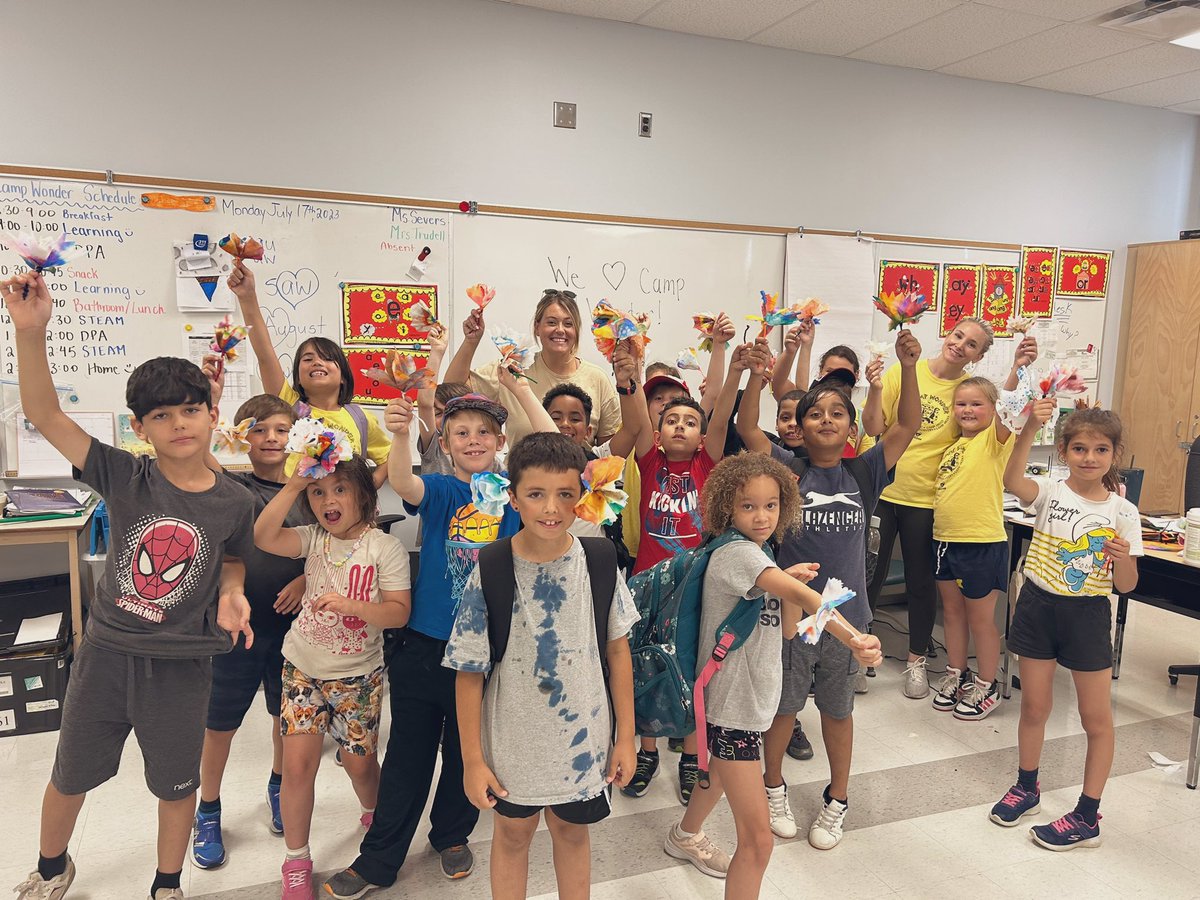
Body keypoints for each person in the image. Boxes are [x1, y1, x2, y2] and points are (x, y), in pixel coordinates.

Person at [4, 271, 256, 900]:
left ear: (212, 413)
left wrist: (231, 592)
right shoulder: (124, 475)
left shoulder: (235, 500)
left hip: (182, 665)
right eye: (161, 416)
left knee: (177, 785)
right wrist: (30, 332)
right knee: (71, 775)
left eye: (191, 410)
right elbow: (43, 412)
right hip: (109, 655)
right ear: (141, 427)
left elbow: (232, 561)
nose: (179, 424)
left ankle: (167, 883)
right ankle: (52, 866)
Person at [321, 369, 558, 899]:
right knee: (408, 754)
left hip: (489, 652)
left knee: (466, 750)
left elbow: (557, 450)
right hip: (424, 644)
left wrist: (520, 389)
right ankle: (379, 858)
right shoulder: (445, 489)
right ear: (446, 445)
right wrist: (402, 434)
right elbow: (403, 483)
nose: (473, 440)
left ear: (501, 442)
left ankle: (453, 834)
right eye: (460, 432)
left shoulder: (520, 498)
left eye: (483, 432)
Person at [662, 453, 883, 896]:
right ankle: (687, 838)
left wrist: (782, 582)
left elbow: (785, 628)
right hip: (730, 708)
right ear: (726, 508)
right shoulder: (738, 553)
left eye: (771, 505)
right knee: (759, 842)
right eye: (748, 506)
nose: (761, 516)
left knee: (722, 776)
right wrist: (854, 637)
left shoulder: (761, 554)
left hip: (751, 700)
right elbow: (801, 594)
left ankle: (684, 836)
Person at [738, 330, 921, 849]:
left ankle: (836, 800)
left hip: (847, 620)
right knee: (784, 709)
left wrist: (909, 366)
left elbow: (908, 423)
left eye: (837, 413)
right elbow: (748, 425)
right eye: (814, 413)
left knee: (839, 713)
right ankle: (772, 787)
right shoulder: (786, 470)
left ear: (851, 425)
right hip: (794, 617)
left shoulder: (864, 470)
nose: (824, 420)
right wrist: (756, 376)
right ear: (799, 424)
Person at [444, 432, 639, 900]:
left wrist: (626, 737)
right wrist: (472, 761)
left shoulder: (598, 560)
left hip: (584, 744)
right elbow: (469, 671)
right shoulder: (491, 566)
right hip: (513, 744)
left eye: (565, 494)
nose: (551, 508)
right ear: (511, 497)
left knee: (572, 834)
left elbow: (617, 653)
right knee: (512, 837)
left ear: (584, 497)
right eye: (535, 494)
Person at [990, 399, 1141, 850]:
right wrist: (1027, 429)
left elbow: (1128, 585)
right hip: (1038, 607)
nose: (1089, 458)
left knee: (1096, 718)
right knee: (1034, 707)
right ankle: (1027, 787)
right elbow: (1011, 480)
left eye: (1099, 450)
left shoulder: (1123, 512)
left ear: (1114, 455)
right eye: (1079, 448)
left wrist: (1120, 561)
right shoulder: (1051, 491)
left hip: (1088, 615)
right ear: (1062, 451)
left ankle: (1087, 814)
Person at [863, 318, 1036, 698]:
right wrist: (876, 388)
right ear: (947, 334)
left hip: (927, 500)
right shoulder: (902, 372)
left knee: (922, 582)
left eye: (972, 344)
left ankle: (916, 661)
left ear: (978, 355)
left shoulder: (966, 393)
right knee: (867, 577)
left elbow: (997, 413)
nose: (960, 345)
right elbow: (873, 425)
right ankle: (859, 656)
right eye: (958, 335)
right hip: (883, 490)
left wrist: (1018, 367)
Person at [611, 339, 738, 804]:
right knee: (642, 667)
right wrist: (627, 376)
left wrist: (736, 371)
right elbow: (634, 419)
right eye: (671, 420)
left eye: (690, 421)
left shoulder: (709, 463)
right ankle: (646, 752)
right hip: (646, 586)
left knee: (694, 669)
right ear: (659, 431)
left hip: (695, 587)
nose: (680, 426)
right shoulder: (648, 461)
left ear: (702, 436)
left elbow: (721, 415)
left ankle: (690, 757)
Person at [191, 387, 310, 870]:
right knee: (221, 725)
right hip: (237, 630)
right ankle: (208, 808)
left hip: (295, 629)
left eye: (282, 429)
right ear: (239, 437)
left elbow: (329, 544)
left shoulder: (310, 486)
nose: (270, 437)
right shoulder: (229, 486)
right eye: (257, 429)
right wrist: (209, 399)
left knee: (285, 719)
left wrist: (306, 578)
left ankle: (279, 786)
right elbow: (197, 451)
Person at [228, 261, 390, 486]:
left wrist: (372, 484)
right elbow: (264, 356)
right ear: (299, 378)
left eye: (327, 358)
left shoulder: (360, 418)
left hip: (345, 513)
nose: (317, 362)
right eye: (308, 359)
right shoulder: (290, 406)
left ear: (343, 376)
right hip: (296, 508)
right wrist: (247, 298)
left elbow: (389, 456)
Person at [930, 377, 1014, 721]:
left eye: (977, 404)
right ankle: (957, 672)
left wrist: (1018, 366)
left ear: (993, 411)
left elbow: (1009, 406)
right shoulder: (952, 447)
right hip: (945, 540)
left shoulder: (993, 441)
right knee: (951, 612)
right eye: (961, 403)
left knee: (981, 620)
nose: (967, 410)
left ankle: (986, 683)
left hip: (981, 542)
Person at [443, 288, 621, 446]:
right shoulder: (512, 369)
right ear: (537, 327)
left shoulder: (597, 379)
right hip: (520, 480)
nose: (560, 330)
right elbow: (449, 393)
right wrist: (471, 341)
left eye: (568, 324)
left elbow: (610, 451)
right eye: (551, 322)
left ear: (577, 330)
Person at [771, 320, 883, 456]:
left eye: (837, 415)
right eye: (815, 415)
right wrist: (797, 349)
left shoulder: (860, 421)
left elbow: (874, 437)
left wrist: (875, 388)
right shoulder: (806, 405)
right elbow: (781, 385)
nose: (827, 420)